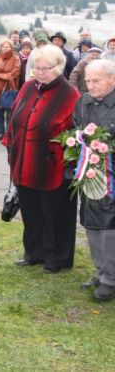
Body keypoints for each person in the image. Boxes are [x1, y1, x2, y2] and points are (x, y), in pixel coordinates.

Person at [2, 45, 80, 274]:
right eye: (36, 67)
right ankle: (33, 253)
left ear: (58, 68)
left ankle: (57, 257)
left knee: (54, 214)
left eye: (45, 68)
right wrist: (10, 144)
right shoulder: (28, 87)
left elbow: (75, 133)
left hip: (53, 166)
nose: (40, 72)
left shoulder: (70, 94)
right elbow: (15, 119)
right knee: (31, 211)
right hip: (24, 162)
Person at [74, 59, 115, 301]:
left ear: (112, 79)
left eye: (96, 80)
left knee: (110, 227)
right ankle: (100, 272)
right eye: (87, 80)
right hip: (90, 172)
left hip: (111, 175)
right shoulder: (84, 101)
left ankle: (111, 279)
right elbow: (75, 126)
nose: (90, 85)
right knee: (91, 224)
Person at [0, 39, 21, 141]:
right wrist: (3, 76)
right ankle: (1, 132)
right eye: (3, 47)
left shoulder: (16, 59)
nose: (5, 49)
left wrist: (0, 75)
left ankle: (9, 133)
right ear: (1, 48)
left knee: (9, 114)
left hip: (9, 89)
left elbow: (15, 73)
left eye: (7, 47)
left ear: (11, 48)